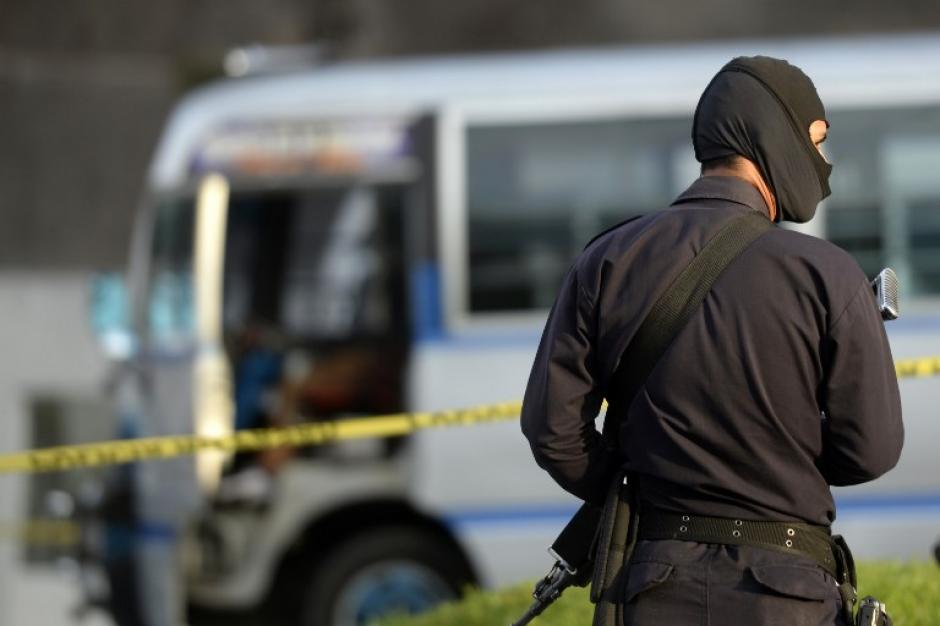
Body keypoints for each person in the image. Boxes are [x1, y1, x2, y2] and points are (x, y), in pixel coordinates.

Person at [520, 56, 903, 625]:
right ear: (770, 132)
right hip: (788, 596)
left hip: (649, 587)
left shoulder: (606, 260)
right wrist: (777, 463)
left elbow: (552, 431)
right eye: (818, 140)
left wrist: (638, 487)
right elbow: (873, 450)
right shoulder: (828, 275)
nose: (824, 162)